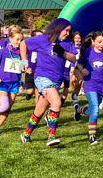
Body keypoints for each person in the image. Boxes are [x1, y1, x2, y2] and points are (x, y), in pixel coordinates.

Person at [20, 18, 84, 147]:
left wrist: (62, 52)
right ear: (57, 28)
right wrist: (23, 61)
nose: (67, 33)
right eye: (65, 30)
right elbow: (23, 44)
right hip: (42, 77)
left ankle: (26, 134)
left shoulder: (66, 43)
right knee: (56, 102)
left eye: (69, 31)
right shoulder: (43, 39)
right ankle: (51, 137)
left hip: (56, 79)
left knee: (40, 109)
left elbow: (72, 58)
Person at [0, 31, 25, 136]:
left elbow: (24, 67)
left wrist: (26, 69)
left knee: (8, 109)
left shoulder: (21, 53)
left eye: (21, 40)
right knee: (4, 106)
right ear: (11, 39)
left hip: (15, 84)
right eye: (17, 39)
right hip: (3, 83)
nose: (19, 42)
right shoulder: (3, 52)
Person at [77, 31, 103, 145]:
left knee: (93, 110)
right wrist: (82, 70)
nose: (102, 44)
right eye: (99, 42)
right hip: (89, 85)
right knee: (96, 110)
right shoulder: (87, 52)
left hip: (101, 86)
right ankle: (92, 136)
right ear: (93, 41)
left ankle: (80, 109)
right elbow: (78, 63)